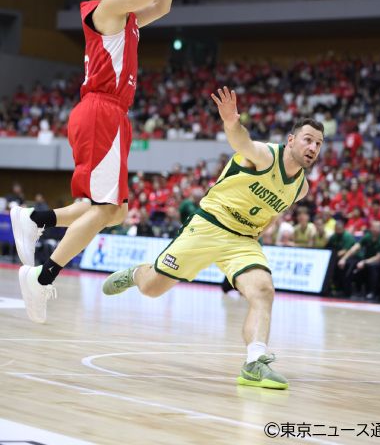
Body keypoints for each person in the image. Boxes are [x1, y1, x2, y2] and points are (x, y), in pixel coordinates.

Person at [11, 0, 184, 324]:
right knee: (106, 208)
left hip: (108, 113)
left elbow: (163, 3)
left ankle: (36, 219)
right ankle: (42, 275)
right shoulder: (106, 8)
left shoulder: (123, 17)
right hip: (101, 110)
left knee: (112, 210)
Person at [102, 87, 324, 389]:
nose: (313, 147)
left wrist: (264, 229)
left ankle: (254, 363)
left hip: (243, 239)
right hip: (209, 225)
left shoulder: (301, 188)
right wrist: (232, 121)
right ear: (291, 141)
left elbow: (274, 210)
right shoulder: (264, 155)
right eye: (308, 139)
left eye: (319, 144)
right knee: (153, 288)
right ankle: (137, 273)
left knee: (263, 290)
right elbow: (240, 140)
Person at [338, 220, 380, 300]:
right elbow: (356, 247)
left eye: (377, 227)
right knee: (350, 263)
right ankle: (346, 290)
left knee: (372, 267)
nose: (374, 229)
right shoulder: (368, 236)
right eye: (373, 227)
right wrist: (344, 258)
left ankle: (372, 292)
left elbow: (378, 258)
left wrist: (364, 262)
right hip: (367, 260)